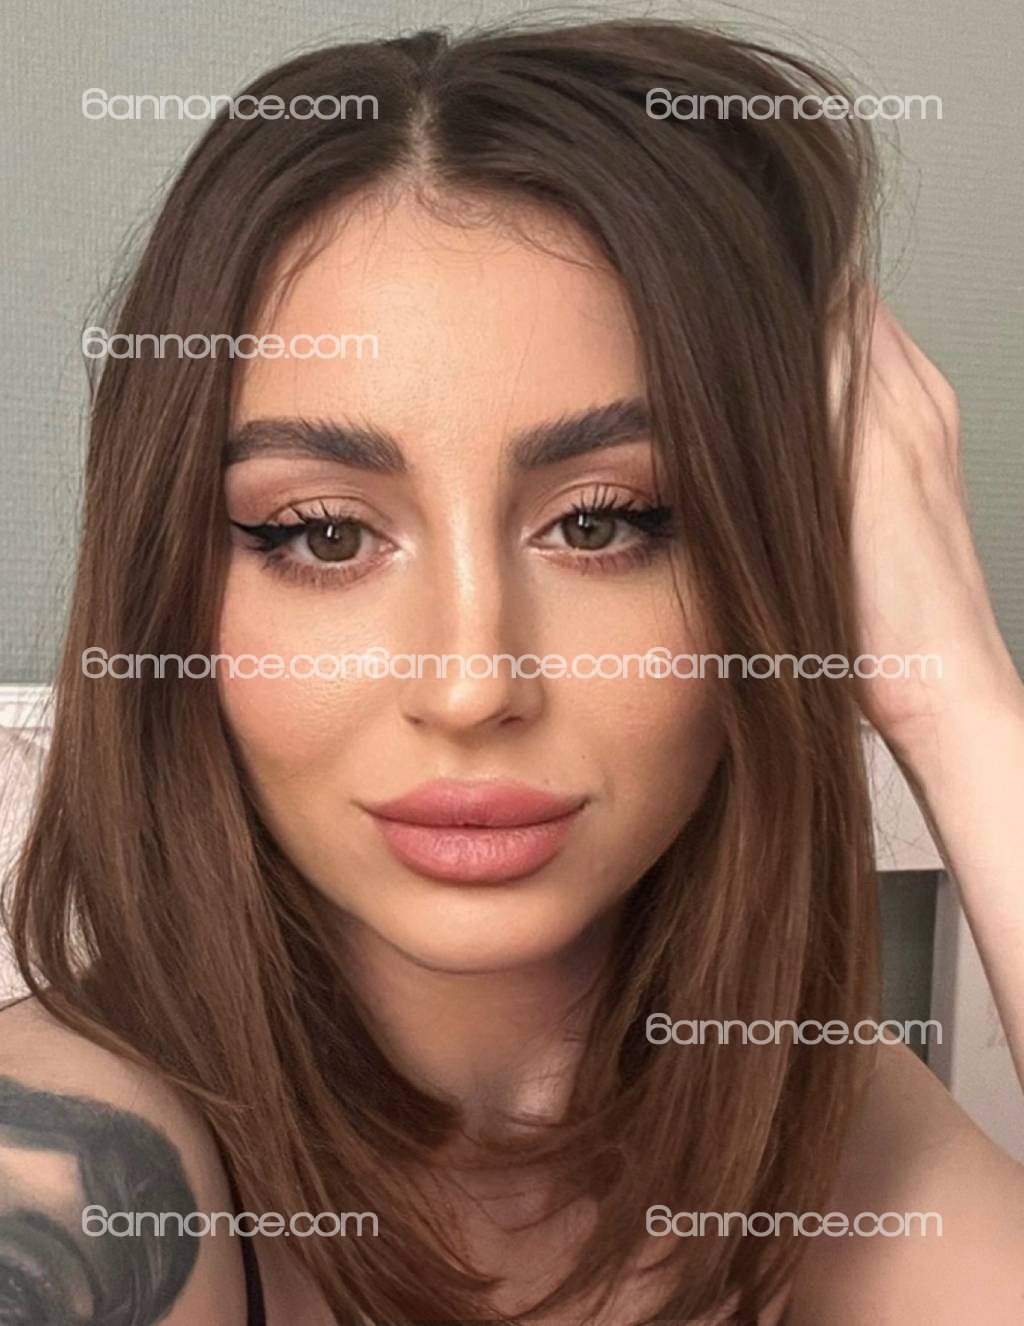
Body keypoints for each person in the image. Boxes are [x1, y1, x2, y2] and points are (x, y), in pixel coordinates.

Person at [2, 17, 1023, 1325]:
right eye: (325, 534)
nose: (474, 684)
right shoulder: (77, 1178)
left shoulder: (813, 1126)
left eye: (601, 522)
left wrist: (954, 696)